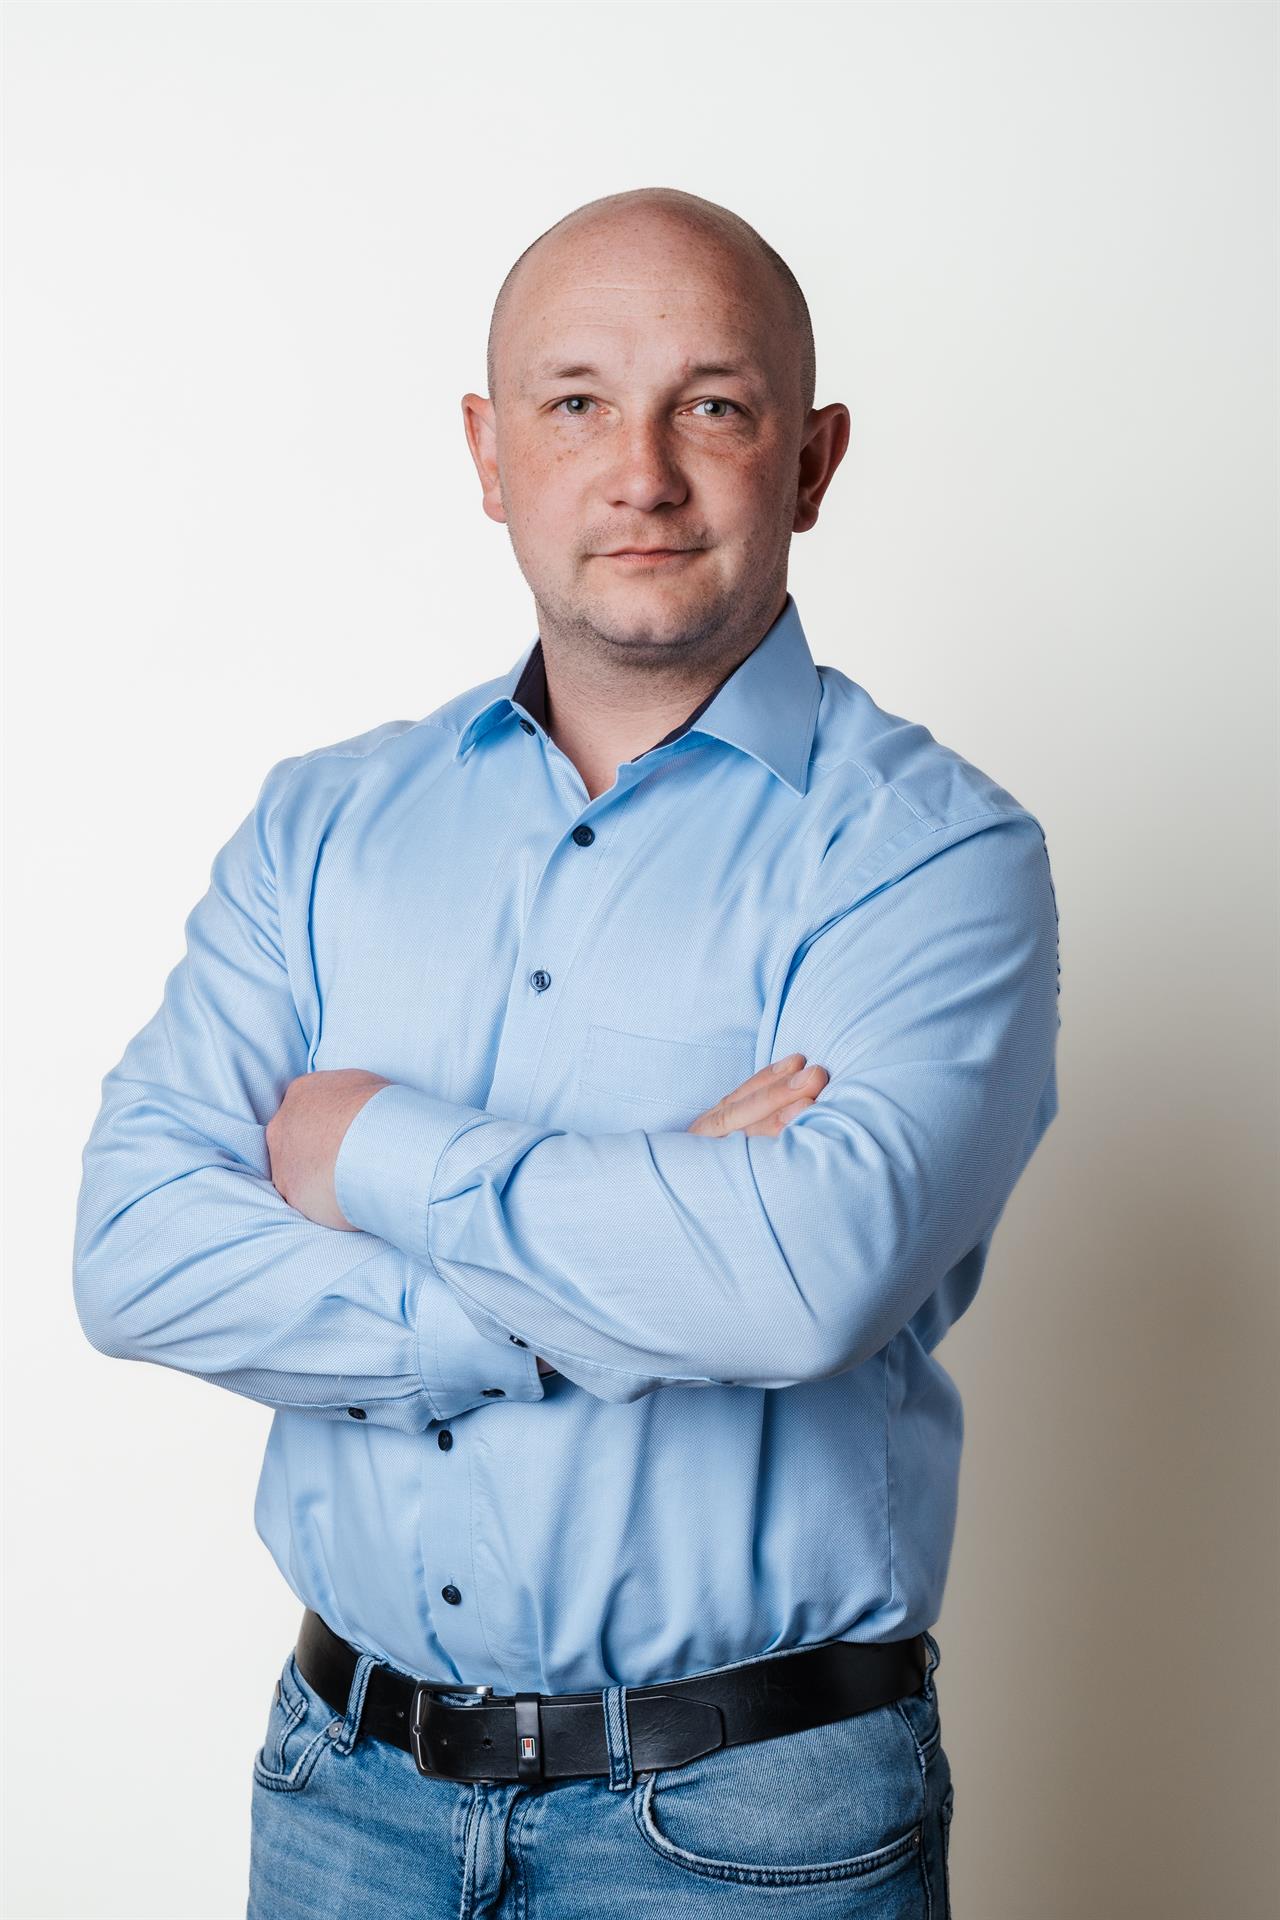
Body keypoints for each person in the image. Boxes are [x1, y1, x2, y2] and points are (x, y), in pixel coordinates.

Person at [73, 184, 1061, 1919]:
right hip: (342, 1798)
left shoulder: (932, 856)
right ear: (490, 450)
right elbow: (137, 1253)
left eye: (714, 405)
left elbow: (795, 1284)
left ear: (813, 459)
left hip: (753, 1833)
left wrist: (367, 1149)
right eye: (579, 401)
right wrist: (618, 1259)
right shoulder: (321, 829)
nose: (642, 473)